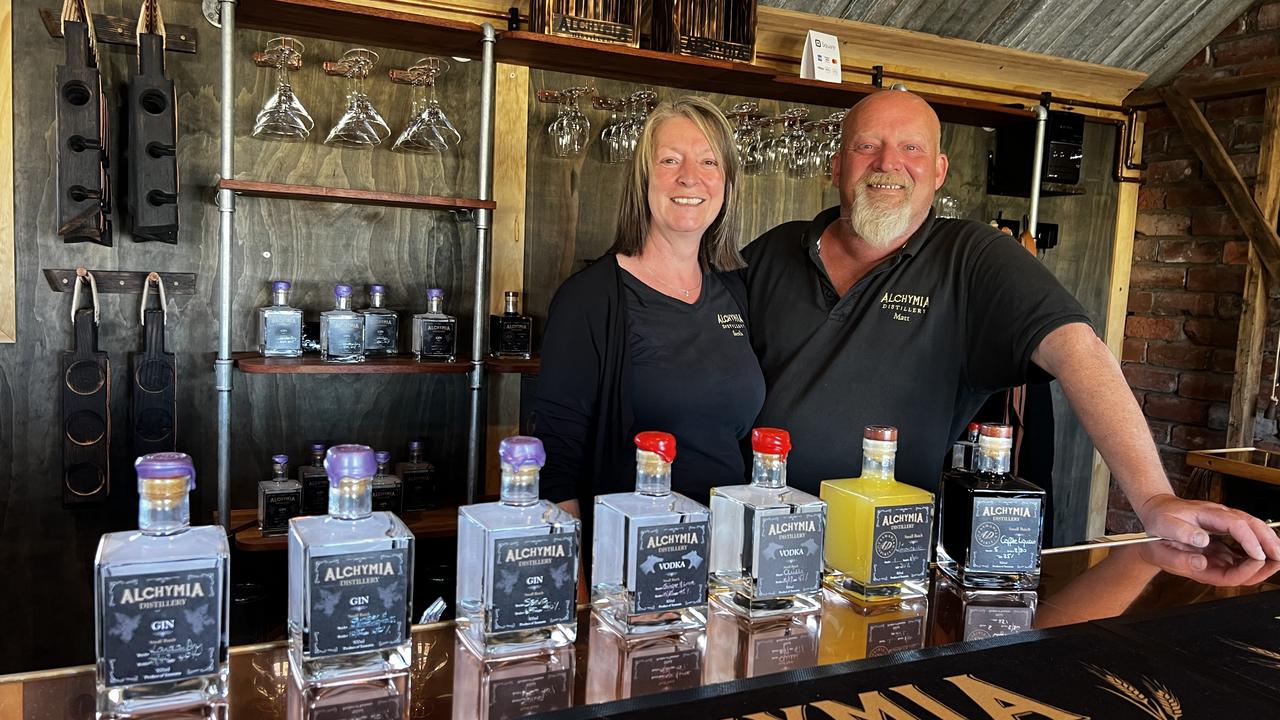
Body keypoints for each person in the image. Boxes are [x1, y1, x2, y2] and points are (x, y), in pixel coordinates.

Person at [742, 88, 1280, 561]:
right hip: (747, 533)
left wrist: (1154, 498)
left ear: (939, 171)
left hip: (882, 555)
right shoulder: (773, 250)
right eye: (867, 146)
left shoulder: (971, 256)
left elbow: (1078, 350)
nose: (889, 163)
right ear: (837, 166)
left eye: (912, 148)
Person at [534, 97, 765, 527]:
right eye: (670, 159)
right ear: (642, 179)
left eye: (709, 162)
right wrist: (578, 583)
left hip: (729, 558)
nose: (690, 177)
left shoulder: (734, 290)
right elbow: (557, 463)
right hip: (635, 559)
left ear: (728, 182)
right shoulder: (590, 299)